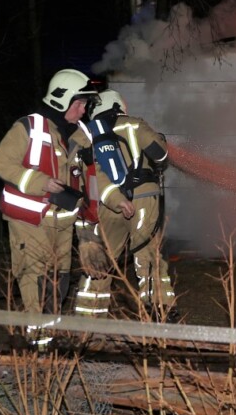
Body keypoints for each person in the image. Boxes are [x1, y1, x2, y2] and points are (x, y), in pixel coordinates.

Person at [0, 69, 99, 344]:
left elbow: (89, 178)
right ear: (61, 99)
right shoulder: (29, 127)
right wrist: (41, 182)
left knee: (58, 279)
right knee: (34, 275)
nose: (83, 109)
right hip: (30, 217)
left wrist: (89, 215)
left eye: (85, 103)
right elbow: (2, 163)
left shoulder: (80, 135)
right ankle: (38, 338)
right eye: (80, 102)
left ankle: (48, 334)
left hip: (62, 222)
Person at [74, 89, 176, 321]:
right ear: (118, 105)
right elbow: (160, 154)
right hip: (142, 197)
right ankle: (159, 313)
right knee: (147, 256)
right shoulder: (133, 125)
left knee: (101, 261)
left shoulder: (87, 134)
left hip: (107, 204)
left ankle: (88, 322)